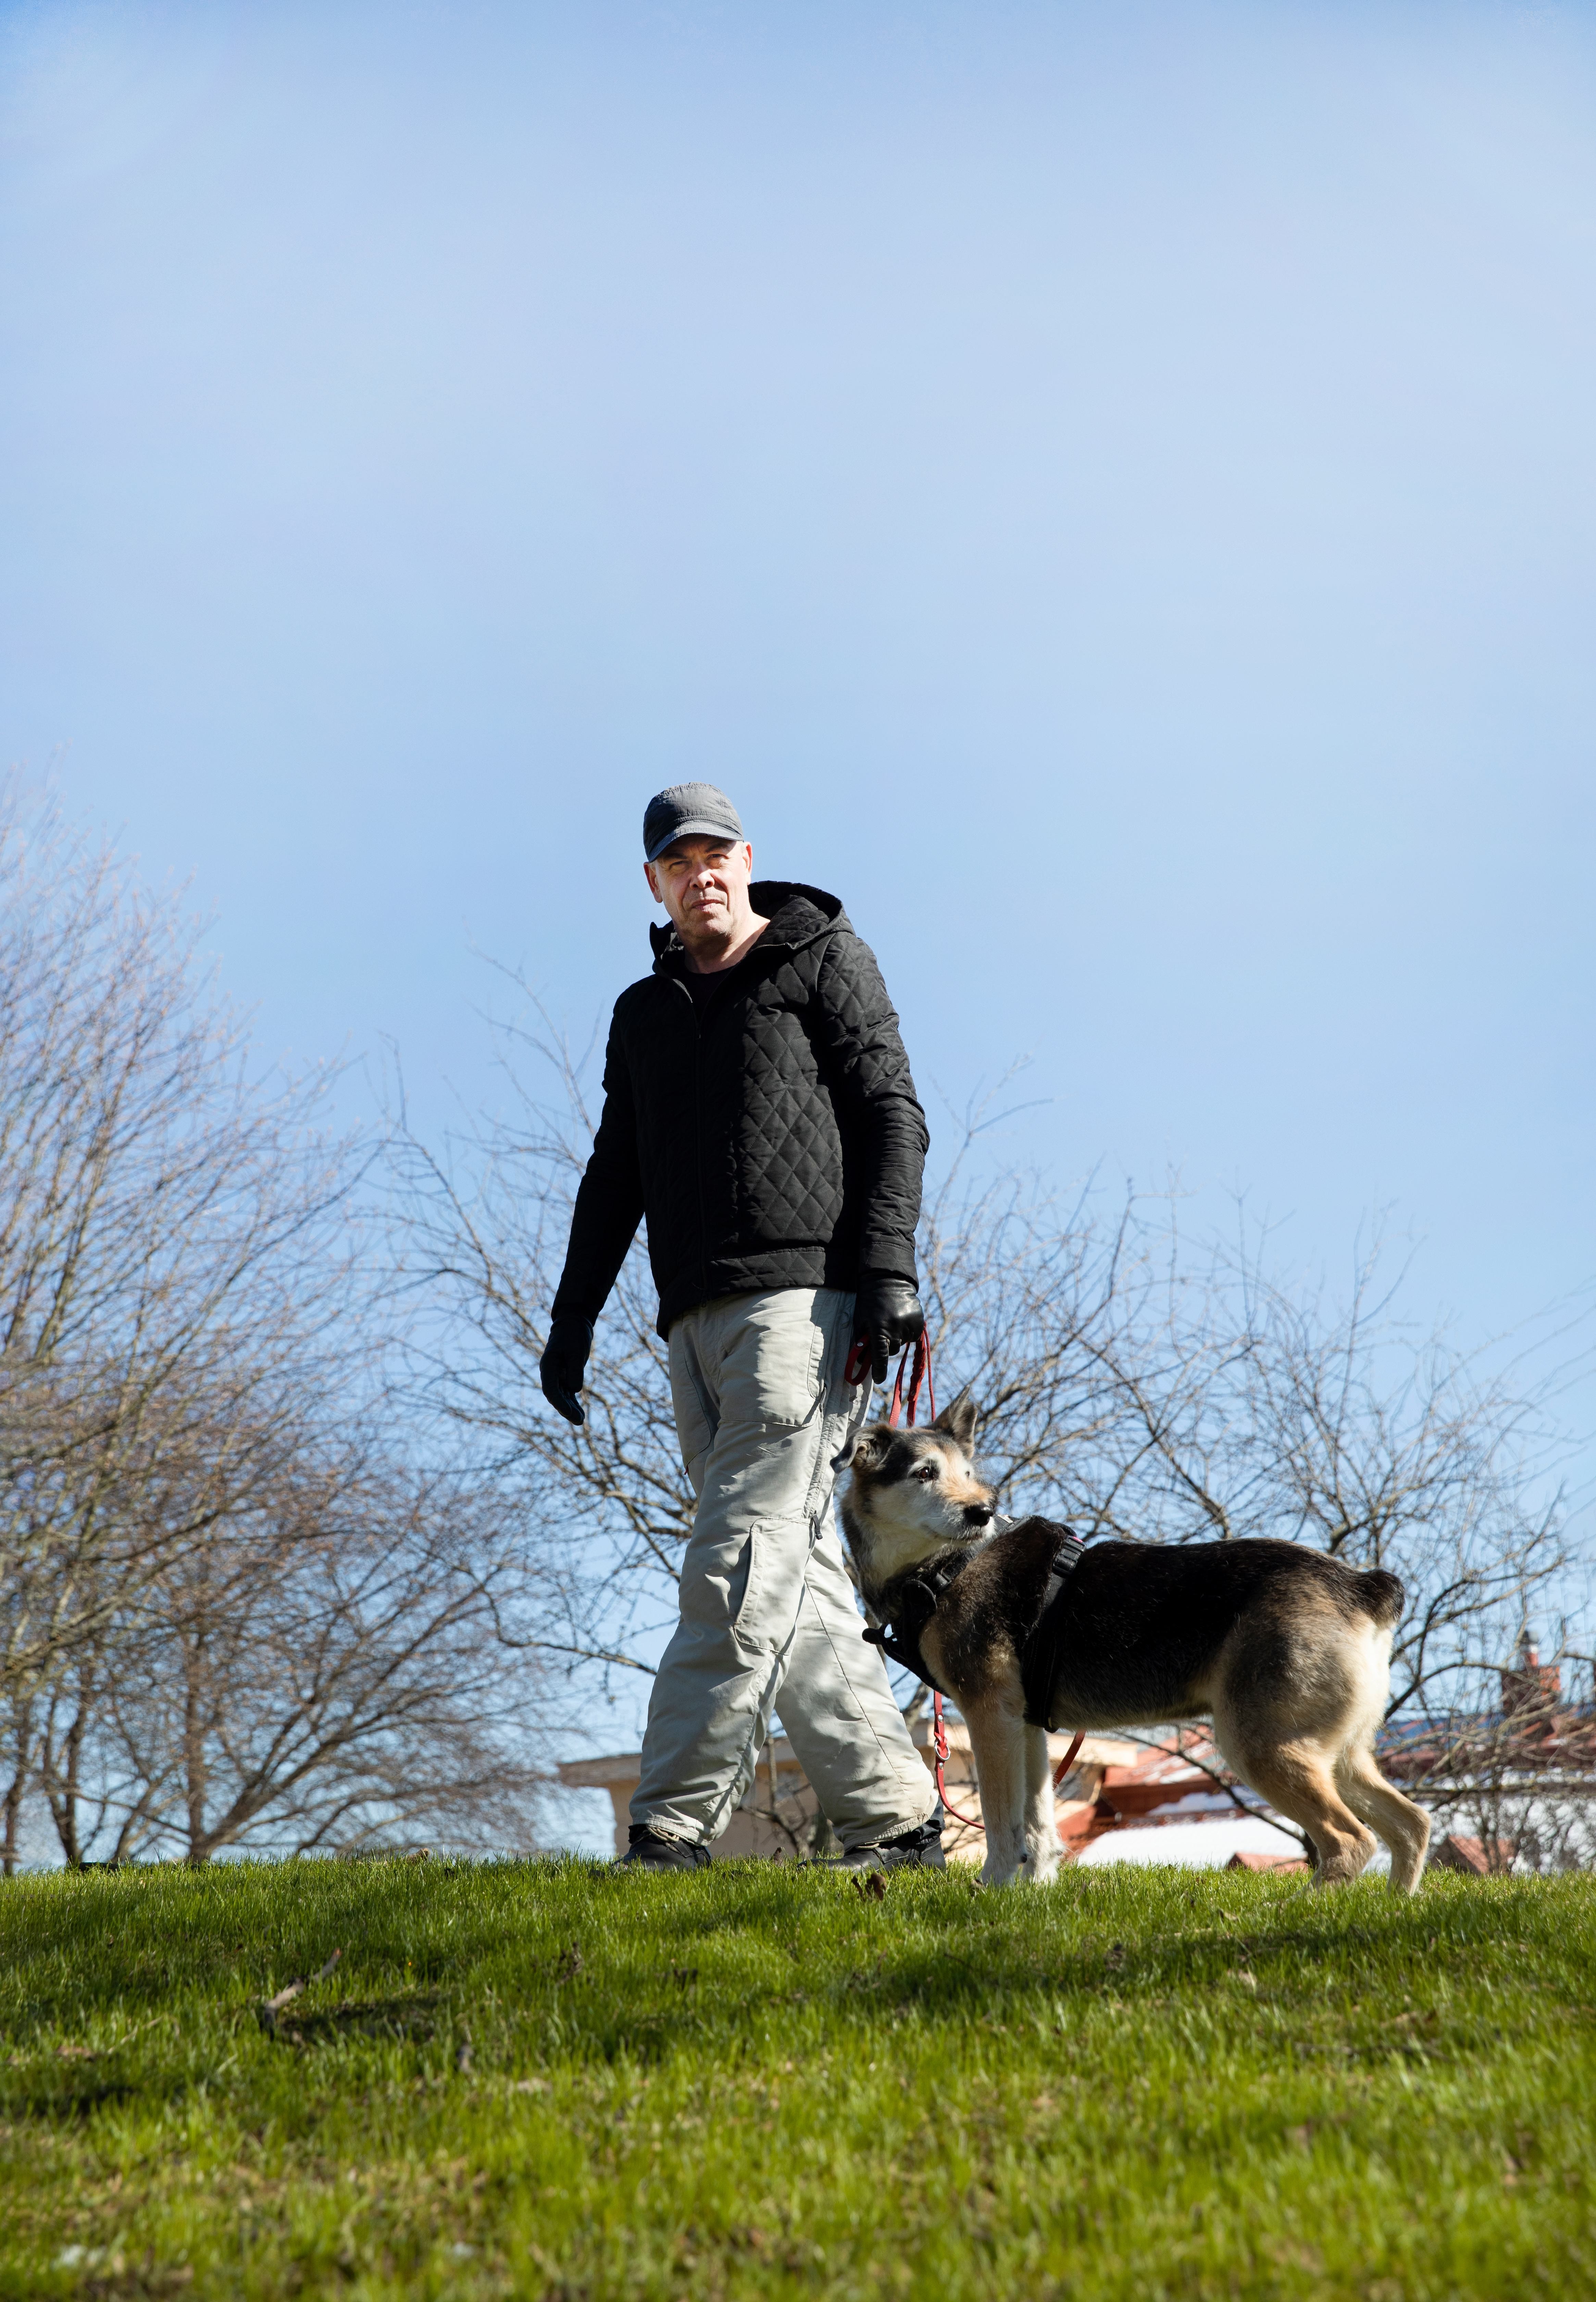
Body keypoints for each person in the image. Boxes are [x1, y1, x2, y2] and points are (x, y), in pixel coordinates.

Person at [540, 782, 944, 1871]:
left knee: (734, 1557)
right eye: (678, 863)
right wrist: (571, 1321)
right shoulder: (642, 1013)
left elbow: (891, 1113)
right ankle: (900, 1823)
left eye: (716, 855)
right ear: (655, 885)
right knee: (791, 1570)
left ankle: (670, 1826)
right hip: (690, 1327)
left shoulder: (820, 959)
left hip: (803, 1308)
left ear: (747, 860)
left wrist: (888, 1268)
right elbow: (612, 1173)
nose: (700, 874)